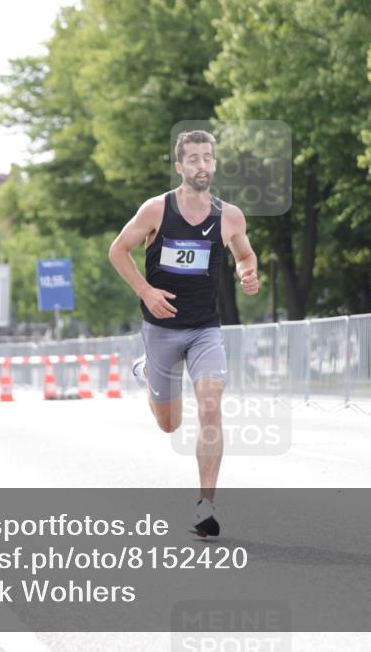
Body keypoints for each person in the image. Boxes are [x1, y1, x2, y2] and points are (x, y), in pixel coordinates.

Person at [108, 130, 259, 537]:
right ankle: (145, 371)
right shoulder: (156, 210)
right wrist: (146, 290)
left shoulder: (229, 216)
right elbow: (117, 250)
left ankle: (204, 506)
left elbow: (244, 254)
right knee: (169, 425)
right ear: (180, 167)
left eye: (207, 157)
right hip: (160, 330)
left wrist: (248, 273)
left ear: (214, 164)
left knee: (210, 405)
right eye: (192, 158)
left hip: (204, 330)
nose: (201, 165)